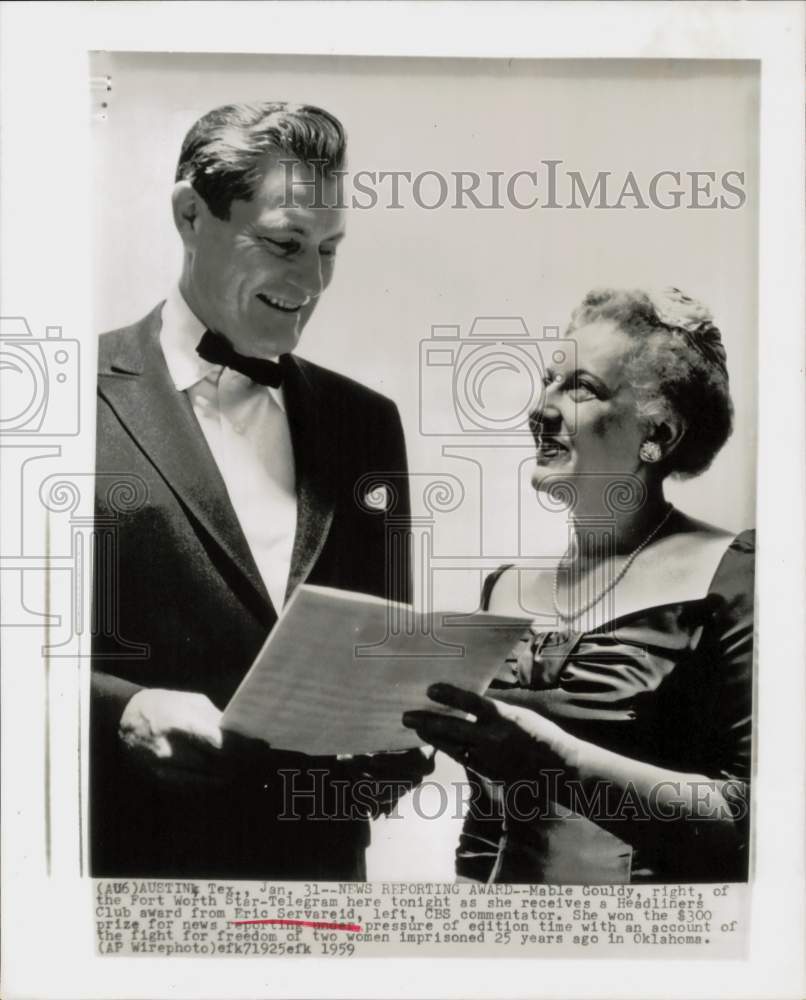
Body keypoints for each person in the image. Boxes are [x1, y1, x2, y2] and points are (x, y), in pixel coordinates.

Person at [91, 101, 429, 879]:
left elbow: (378, 653)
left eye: (330, 250)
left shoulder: (367, 424)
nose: (311, 281)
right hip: (128, 874)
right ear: (189, 214)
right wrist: (123, 711)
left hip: (321, 883)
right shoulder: (59, 401)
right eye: (284, 243)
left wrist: (398, 739)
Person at [404, 286, 753, 884]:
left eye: (582, 388)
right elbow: (485, 822)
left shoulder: (739, 576)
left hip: (655, 952)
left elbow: (755, 819)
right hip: (509, 943)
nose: (540, 409)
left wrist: (554, 763)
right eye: (548, 381)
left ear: (660, 435)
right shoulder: (505, 588)